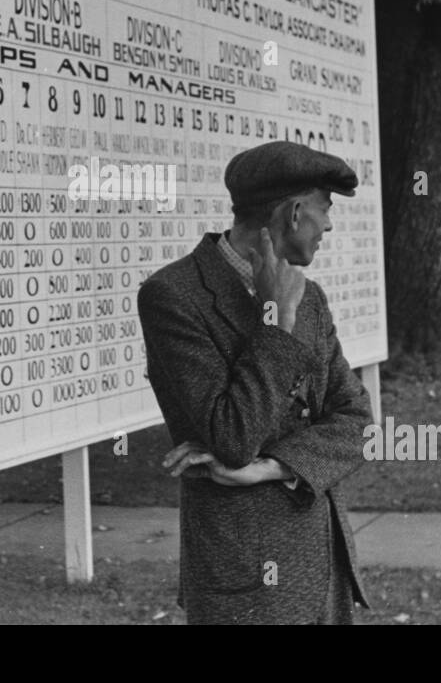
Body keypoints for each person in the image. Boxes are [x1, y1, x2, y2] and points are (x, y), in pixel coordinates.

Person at [137, 141, 373, 625]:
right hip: (244, 577)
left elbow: (357, 422)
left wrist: (269, 468)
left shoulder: (310, 296)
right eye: (325, 209)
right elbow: (233, 437)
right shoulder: (173, 296)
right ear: (293, 213)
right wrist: (276, 323)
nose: (328, 225)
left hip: (321, 558)